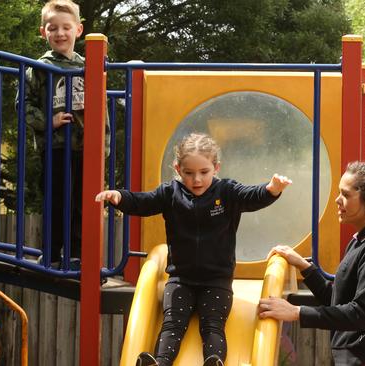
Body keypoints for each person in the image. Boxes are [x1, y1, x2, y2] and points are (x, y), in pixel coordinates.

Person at [95, 133, 292, 366]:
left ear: (216, 168)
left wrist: (272, 189)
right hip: (181, 278)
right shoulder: (170, 193)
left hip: (216, 279)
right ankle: (160, 363)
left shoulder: (226, 192)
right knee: (172, 323)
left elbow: (251, 197)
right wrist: (120, 197)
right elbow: (143, 202)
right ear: (178, 169)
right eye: (189, 173)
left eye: (204, 172)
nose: (196, 179)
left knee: (212, 324)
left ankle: (214, 361)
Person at [257, 156, 365, 366]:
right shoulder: (361, 240)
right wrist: (305, 267)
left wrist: (296, 312)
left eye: (345, 194)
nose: (337, 200)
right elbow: (338, 299)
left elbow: (362, 314)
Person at [18, 0, 109, 269]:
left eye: (66, 27)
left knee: (84, 202)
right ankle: (53, 254)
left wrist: (104, 145)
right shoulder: (39, 68)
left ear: (78, 30)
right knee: (56, 201)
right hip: (55, 146)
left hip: (86, 148)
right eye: (53, 28)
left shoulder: (89, 67)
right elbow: (23, 105)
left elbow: (101, 109)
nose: (60, 33)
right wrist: (50, 120)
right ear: (43, 32)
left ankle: (80, 255)